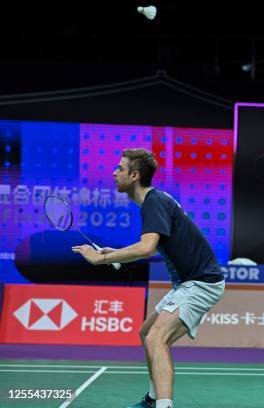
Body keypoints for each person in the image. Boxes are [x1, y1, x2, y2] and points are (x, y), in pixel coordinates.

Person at [73, 148, 225, 408]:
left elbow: (147, 248)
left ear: (134, 175)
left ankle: (163, 405)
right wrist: (118, 254)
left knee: (157, 338)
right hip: (187, 282)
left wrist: (102, 259)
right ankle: (154, 399)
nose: (114, 172)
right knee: (147, 333)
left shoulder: (153, 202)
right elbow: (150, 245)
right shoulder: (155, 201)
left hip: (200, 282)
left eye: (119, 168)